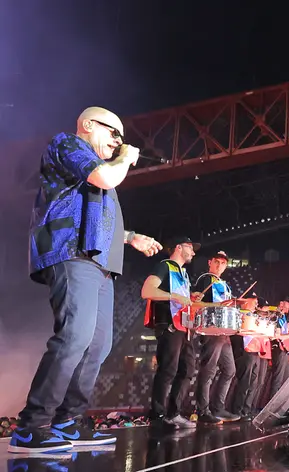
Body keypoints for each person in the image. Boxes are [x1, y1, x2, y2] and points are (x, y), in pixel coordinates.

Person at [11, 107, 163, 454]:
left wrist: (131, 237)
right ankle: (31, 425)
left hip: (99, 261)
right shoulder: (67, 145)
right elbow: (104, 180)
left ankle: (69, 420)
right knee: (74, 336)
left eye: (120, 139)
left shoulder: (100, 170)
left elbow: (95, 217)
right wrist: (124, 157)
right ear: (88, 125)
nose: (117, 142)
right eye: (113, 134)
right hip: (71, 252)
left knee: (98, 344)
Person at [141, 237, 218, 429]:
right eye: (190, 248)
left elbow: (182, 300)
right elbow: (147, 290)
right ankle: (157, 415)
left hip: (184, 327)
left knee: (187, 370)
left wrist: (190, 297)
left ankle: (173, 413)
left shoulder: (183, 274)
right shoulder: (164, 266)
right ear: (178, 247)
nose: (193, 252)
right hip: (169, 324)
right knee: (168, 369)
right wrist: (174, 296)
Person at [191, 251, 242, 425]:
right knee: (209, 370)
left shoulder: (224, 284)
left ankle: (217, 408)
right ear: (210, 262)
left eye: (223, 263)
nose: (220, 265)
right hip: (211, 329)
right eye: (217, 262)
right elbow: (195, 302)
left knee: (230, 370)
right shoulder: (206, 279)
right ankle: (203, 410)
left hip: (224, 331)